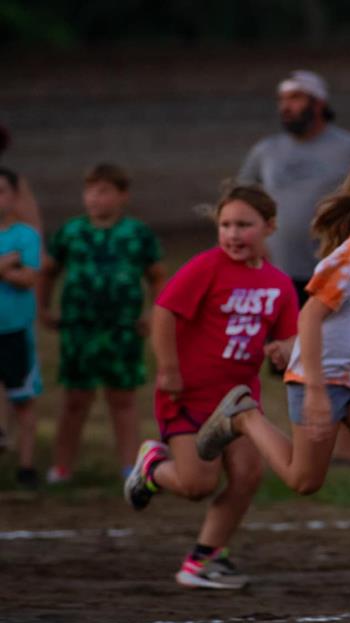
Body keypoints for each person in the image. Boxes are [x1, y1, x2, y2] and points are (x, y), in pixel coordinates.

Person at [195, 159, 350, 609]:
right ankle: (245, 417)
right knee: (303, 479)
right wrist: (312, 388)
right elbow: (311, 313)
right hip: (322, 379)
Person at [123, 183, 298, 589]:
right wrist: (168, 369)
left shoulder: (279, 284)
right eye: (225, 225)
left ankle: (204, 559)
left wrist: (283, 350)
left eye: (244, 225)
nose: (233, 234)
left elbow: (290, 337)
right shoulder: (207, 267)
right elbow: (165, 312)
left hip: (237, 402)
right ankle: (151, 468)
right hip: (188, 394)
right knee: (197, 485)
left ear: (269, 227)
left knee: (248, 474)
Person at [238, 70, 350, 466]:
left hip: (335, 272)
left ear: (319, 104)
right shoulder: (266, 151)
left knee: (342, 354)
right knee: (288, 360)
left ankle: (344, 450)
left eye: (297, 98)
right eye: (283, 100)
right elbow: (243, 198)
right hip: (280, 272)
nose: (287, 107)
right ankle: (306, 439)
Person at [39, 163, 165, 483]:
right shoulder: (71, 232)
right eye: (90, 191)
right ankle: (62, 467)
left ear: (122, 195)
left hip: (122, 329)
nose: (95, 198)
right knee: (75, 400)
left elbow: (157, 278)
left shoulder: (137, 234)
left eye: (104, 191)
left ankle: (130, 467)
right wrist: (43, 308)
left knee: (122, 399)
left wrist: (153, 314)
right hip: (79, 328)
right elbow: (48, 272)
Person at [0, 167, 42, 489]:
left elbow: (29, 277)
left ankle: (27, 466)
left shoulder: (26, 235)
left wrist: (14, 271)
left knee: (23, 398)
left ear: (15, 196)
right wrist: (5, 266)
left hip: (16, 331)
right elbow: (16, 273)